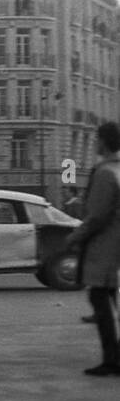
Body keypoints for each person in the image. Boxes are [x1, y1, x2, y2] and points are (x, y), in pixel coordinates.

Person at [65, 122, 120, 376]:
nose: (95, 143)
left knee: (99, 297)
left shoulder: (105, 173)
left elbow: (97, 216)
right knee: (107, 297)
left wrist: (75, 237)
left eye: (97, 139)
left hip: (106, 245)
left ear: (104, 142)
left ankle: (112, 360)